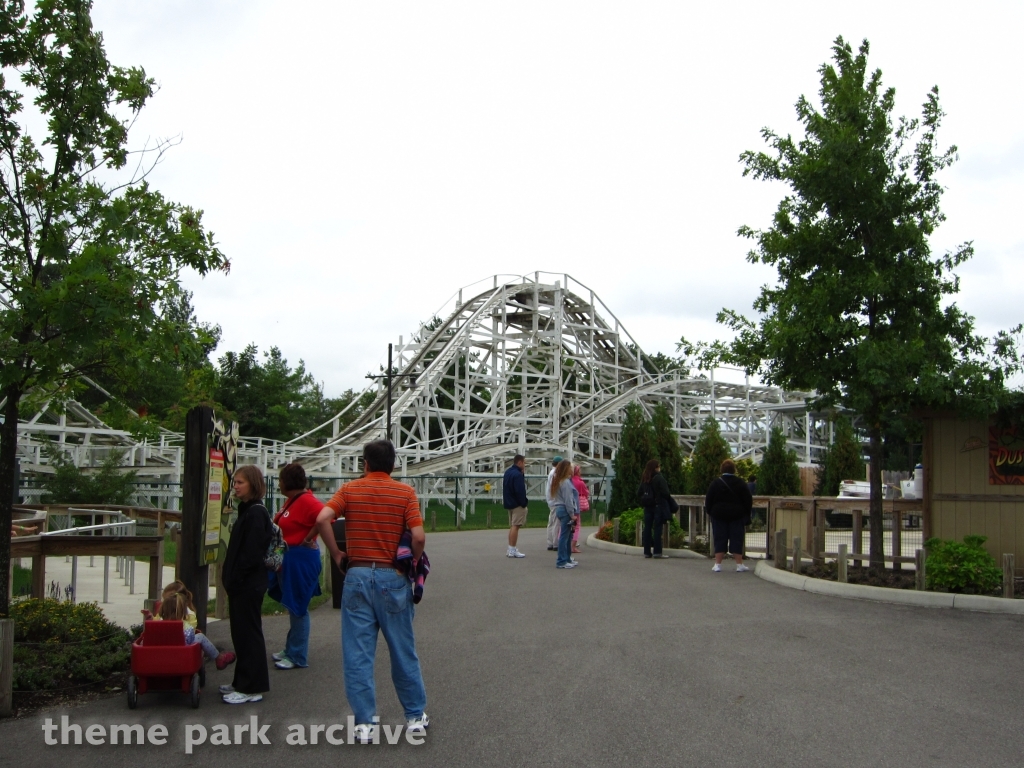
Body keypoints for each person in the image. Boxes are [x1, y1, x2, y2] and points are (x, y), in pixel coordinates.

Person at [313, 439, 429, 744]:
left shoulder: (349, 490)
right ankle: (414, 716)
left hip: (357, 575)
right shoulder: (405, 493)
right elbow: (418, 537)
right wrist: (412, 562)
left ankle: (365, 723)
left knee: (358, 654)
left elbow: (322, 518)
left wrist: (337, 553)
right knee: (402, 650)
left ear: (365, 464)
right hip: (393, 576)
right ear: (393, 465)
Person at [220, 464, 274, 704]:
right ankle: (241, 680)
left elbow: (251, 554)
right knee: (241, 634)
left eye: (240, 482)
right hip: (243, 583)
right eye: (235, 482)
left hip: (248, 584)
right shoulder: (248, 511)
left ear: (253, 484)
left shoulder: (255, 513)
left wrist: (237, 577)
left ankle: (251, 686)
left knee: (248, 634)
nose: (236, 486)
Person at [268, 463, 323, 670]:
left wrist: (309, 538)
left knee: (298, 607)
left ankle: (298, 655)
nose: (279, 484)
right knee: (293, 606)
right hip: (289, 558)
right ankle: (291, 648)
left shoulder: (307, 501)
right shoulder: (292, 501)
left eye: (280, 480)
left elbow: (326, 516)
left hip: (300, 558)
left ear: (287, 482)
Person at [159, 592, 236, 669]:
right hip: (182, 652)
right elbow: (189, 637)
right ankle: (219, 657)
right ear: (182, 611)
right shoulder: (183, 625)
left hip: (162, 654)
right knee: (200, 636)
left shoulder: (159, 624)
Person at [705, 459, 754, 573]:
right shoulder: (741, 483)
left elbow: (708, 500)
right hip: (736, 515)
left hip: (719, 514)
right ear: (734, 469)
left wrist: (711, 512)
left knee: (719, 538)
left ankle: (718, 564)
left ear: (722, 469)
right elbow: (748, 500)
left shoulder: (715, 483)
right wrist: (745, 514)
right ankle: (739, 564)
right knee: (737, 538)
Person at [638, 459, 673, 559]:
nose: (659, 468)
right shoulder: (659, 478)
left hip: (647, 506)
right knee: (657, 529)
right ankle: (657, 552)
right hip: (657, 505)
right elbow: (666, 493)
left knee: (647, 528)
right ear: (655, 468)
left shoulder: (645, 478)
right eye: (658, 466)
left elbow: (639, 492)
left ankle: (647, 552)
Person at [549, 459, 579, 569]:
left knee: (568, 535)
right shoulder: (565, 482)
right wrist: (572, 514)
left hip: (559, 508)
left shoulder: (559, 481)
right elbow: (568, 500)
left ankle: (567, 558)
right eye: (570, 467)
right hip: (565, 510)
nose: (572, 469)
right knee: (564, 536)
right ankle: (561, 561)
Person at [502, 454, 529, 558]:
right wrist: (524, 502)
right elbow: (519, 490)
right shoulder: (517, 475)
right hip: (517, 504)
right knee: (516, 526)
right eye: (524, 463)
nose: (525, 465)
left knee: (513, 526)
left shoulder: (508, 472)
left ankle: (510, 548)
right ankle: (512, 549)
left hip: (509, 502)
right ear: (520, 462)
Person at [545, 456, 563, 551]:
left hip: (551, 500)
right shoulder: (555, 474)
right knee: (556, 522)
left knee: (551, 522)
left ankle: (550, 542)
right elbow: (555, 487)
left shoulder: (551, 472)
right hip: (555, 501)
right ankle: (555, 543)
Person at [570, 465, 590, 554]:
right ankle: (573, 546)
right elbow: (586, 492)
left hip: (568, 505)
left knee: (564, 526)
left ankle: (561, 544)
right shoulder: (580, 482)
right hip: (577, 505)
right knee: (577, 526)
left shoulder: (569, 481)